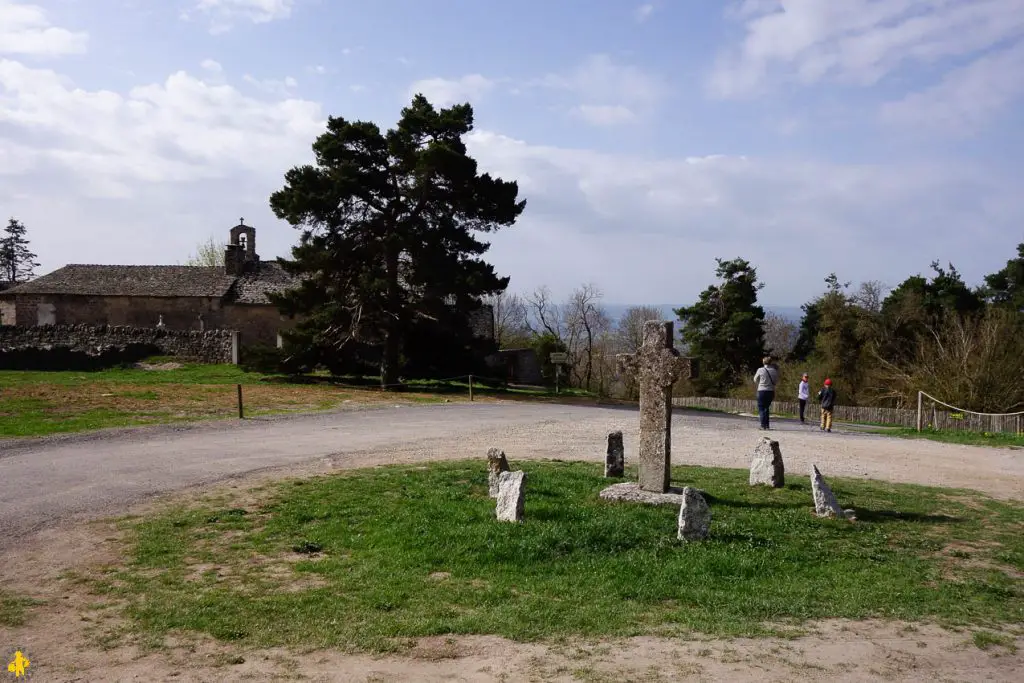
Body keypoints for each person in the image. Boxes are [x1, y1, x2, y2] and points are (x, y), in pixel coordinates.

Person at [753, 356, 779, 430]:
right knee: (766, 408)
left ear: (763, 362)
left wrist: (761, 383)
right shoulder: (774, 370)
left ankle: (762, 425)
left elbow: (755, 380)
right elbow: (776, 381)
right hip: (770, 391)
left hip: (761, 390)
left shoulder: (760, 370)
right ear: (770, 362)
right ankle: (767, 425)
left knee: (761, 408)